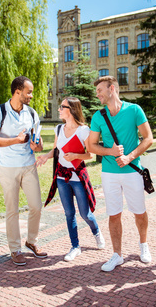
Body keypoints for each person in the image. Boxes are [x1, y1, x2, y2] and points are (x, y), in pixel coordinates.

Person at [88, 75, 154, 272]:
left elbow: (148, 138)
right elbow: (90, 145)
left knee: (139, 212)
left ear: (112, 89)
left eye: (100, 90)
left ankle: (144, 245)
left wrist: (129, 157)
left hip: (133, 171)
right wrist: (110, 151)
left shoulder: (134, 110)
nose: (97, 94)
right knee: (113, 214)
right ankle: (117, 255)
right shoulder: (98, 116)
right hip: (109, 173)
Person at [36, 97, 105, 261]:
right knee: (68, 213)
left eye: (62, 106)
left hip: (77, 176)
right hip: (61, 176)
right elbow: (56, 150)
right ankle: (75, 246)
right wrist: (46, 156)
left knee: (85, 213)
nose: (59, 109)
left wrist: (75, 155)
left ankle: (96, 232)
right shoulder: (58, 129)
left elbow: (91, 154)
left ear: (72, 109)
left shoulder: (83, 131)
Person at [0, 76, 46, 266]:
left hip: (28, 165)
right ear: (17, 91)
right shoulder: (0, 111)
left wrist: (37, 145)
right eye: (29, 92)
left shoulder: (32, 113)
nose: (31, 95)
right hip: (7, 167)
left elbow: (39, 144)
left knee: (36, 205)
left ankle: (31, 241)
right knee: (12, 209)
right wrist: (15, 140)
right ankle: (15, 249)